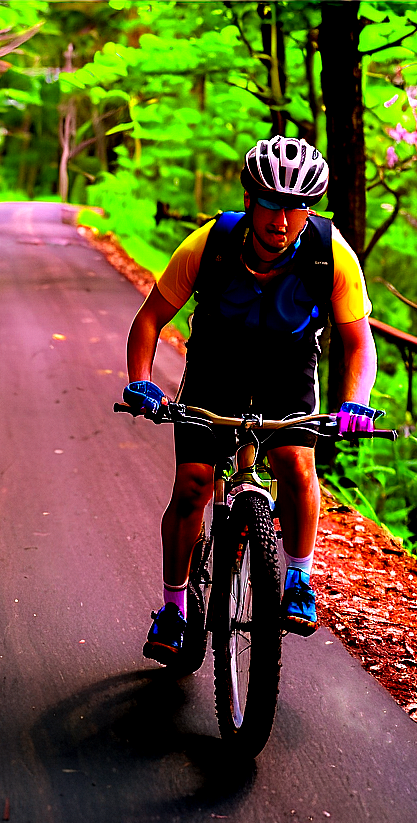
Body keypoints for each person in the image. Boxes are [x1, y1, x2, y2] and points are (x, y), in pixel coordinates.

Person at [122, 135, 382, 664]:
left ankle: (298, 580)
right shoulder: (209, 245)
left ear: (310, 210)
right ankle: (174, 610)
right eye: (270, 202)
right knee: (194, 484)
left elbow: (359, 343)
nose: (281, 219)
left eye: (297, 206)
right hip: (217, 361)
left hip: (288, 366)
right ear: (249, 198)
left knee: (294, 460)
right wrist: (141, 381)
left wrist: (355, 402)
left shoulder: (331, 256)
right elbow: (149, 320)